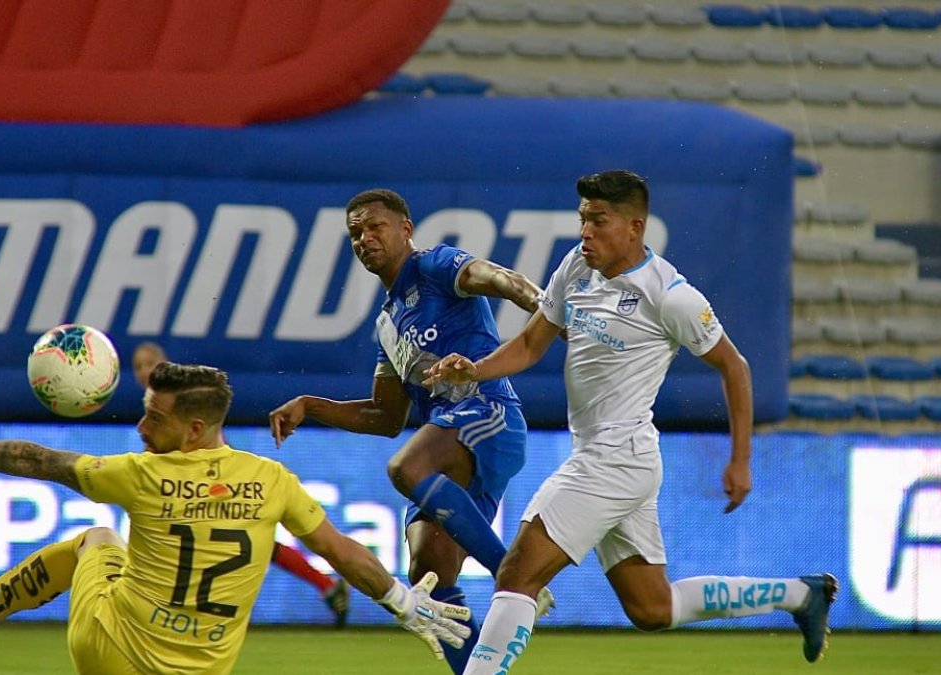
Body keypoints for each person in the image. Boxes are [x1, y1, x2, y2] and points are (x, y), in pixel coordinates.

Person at [422, 170, 838, 674]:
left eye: (599, 221)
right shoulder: (577, 266)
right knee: (652, 608)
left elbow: (735, 366)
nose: (586, 232)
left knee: (517, 574)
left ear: (634, 227)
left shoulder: (670, 296)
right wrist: (475, 370)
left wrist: (741, 460)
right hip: (620, 458)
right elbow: (532, 343)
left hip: (614, 460)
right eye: (583, 219)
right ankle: (802, 594)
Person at [0, 364, 470, 674]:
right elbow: (342, 554)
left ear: (192, 429)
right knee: (102, 542)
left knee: (97, 539)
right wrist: (402, 600)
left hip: (109, 653)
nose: (140, 428)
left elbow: (39, 459)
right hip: (201, 669)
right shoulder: (271, 481)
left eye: (153, 417)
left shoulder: (138, 474)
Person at [269, 188, 552, 675]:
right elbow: (385, 417)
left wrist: (545, 305)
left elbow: (495, 277)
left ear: (406, 229)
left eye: (375, 226)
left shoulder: (435, 265)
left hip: (489, 415)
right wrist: (311, 406)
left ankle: (517, 574)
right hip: (453, 444)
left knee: (407, 466)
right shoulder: (387, 324)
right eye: (356, 232)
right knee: (428, 576)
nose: (365, 238)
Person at [132, 341, 351, 627]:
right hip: (191, 487)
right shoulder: (158, 407)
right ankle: (327, 586)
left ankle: (326, 586)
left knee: (253, 545)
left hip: (210, 480)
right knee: (256, 546)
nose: (144, 371)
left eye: (150, 363)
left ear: (164, 364)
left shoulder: (183, 398)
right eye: (138, 366)